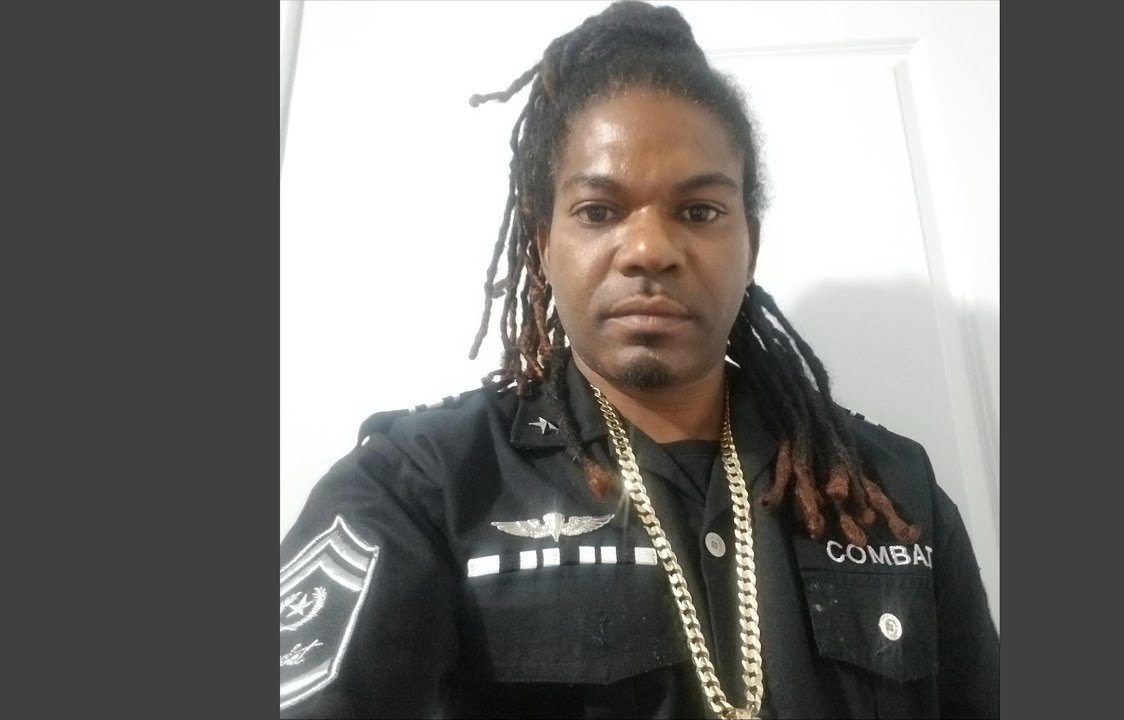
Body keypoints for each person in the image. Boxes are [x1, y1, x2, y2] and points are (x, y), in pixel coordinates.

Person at [279, 1, 999, 717]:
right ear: (543, 246)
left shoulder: (891, 490)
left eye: (699, 211)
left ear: (751, 243)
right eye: (599, 211)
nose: (650, 250)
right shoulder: (421, 487)